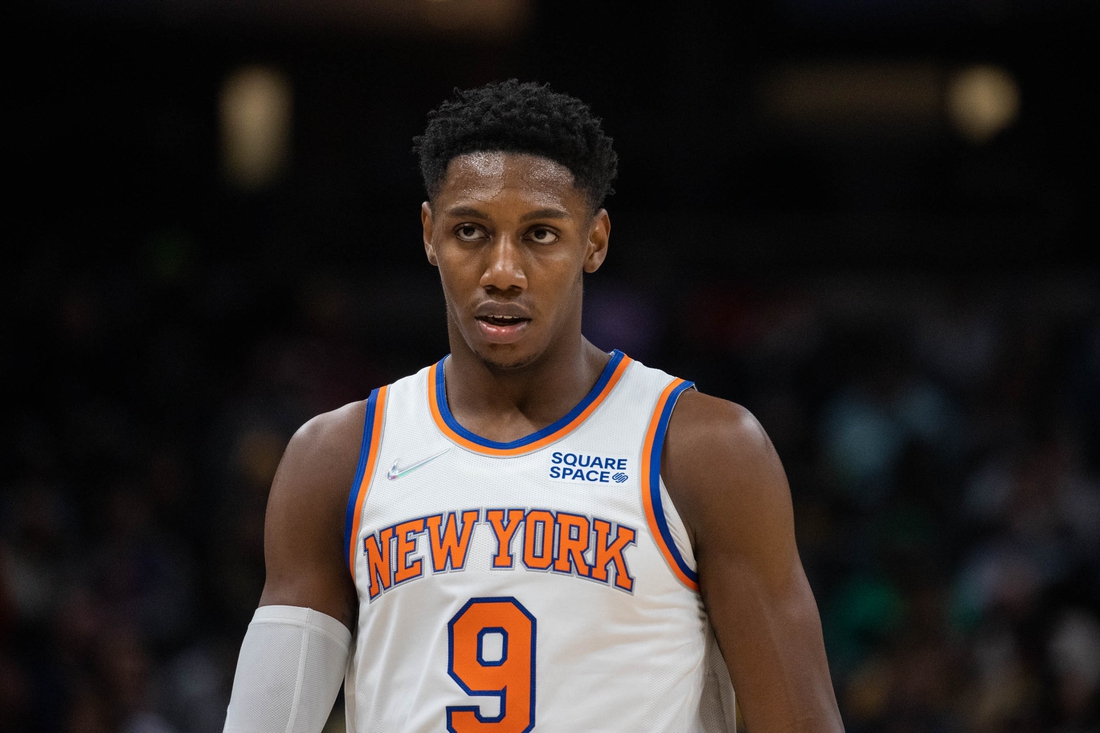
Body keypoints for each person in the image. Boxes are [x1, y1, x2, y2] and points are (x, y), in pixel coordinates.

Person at [223, 79, 843, 733]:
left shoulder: (704, 450)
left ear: (595, 241)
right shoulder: (335, 458)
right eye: (471, 231)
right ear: (430, 234)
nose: (503, 271)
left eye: (541, 234)